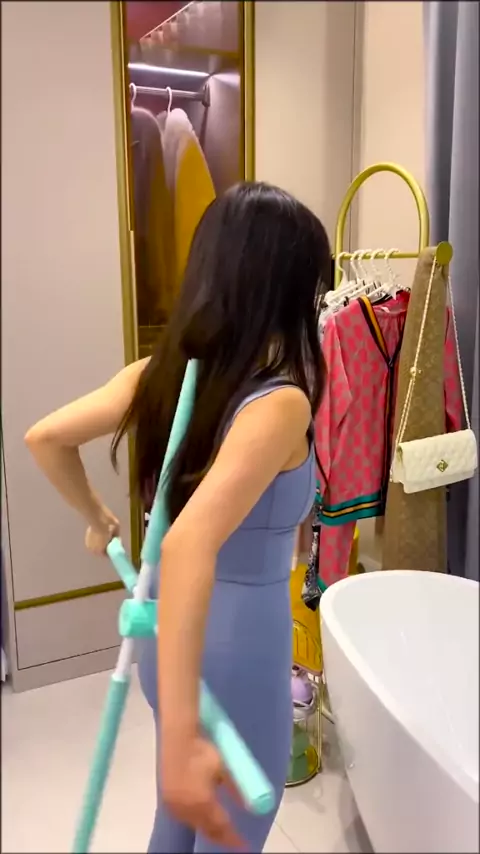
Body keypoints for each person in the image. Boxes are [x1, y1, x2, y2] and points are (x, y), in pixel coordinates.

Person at [25, 182, 330, 853]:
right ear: (280, 288)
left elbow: (44, 438)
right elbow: (191, 541)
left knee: (178, 824)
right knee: (231, 834)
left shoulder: (156, 375)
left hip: (169, 636)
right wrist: (185, 736)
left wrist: (98, 517)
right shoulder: (280, 404)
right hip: (238, 649)